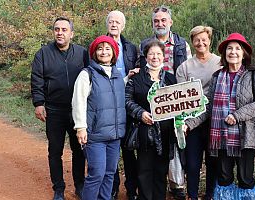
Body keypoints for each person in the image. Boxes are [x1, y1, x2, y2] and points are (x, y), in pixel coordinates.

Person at [185, 33, 255, 199]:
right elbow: (209, 107)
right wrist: (189, 124)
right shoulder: (217, 76)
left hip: (246, 136)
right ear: (224, 53)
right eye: (229, 48)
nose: (233, 52)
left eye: (237, 48)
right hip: (221, 137)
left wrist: (237, 115)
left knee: (245, 178)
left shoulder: (253, 74)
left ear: (244, 53)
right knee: (224, 178)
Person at [31, 16, 87, 200]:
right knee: (55, 151)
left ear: (72, 33)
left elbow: (91, 78)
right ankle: (59, 189)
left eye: (64, 30)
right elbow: (37, 79)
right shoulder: (43, 54)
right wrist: (39, 103)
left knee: (79, 150)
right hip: (54, 110)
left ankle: (80, 186)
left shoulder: (82, 53)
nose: (60, 33)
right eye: (57, 29)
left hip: (77, 110)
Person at [139, 5, 192, 199]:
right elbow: (140, 67)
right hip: (151, 100)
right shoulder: (145, 44)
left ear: (170, 22)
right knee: (155, 144)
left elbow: (186, 69)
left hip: (175, 96)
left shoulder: (181, 44)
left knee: (174, 143)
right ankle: (149, 187)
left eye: (163, 20)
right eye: (156, 21)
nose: (160, 23)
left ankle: (176, 184)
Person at [72, 35, 126, 200]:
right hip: (95, 135)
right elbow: (78, 101)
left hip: (115, 135)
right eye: (100, 49)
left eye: (108, 48)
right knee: (96, 174)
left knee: (109, 173)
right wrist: (80, 127)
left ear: (114, 53)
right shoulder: (86, 74)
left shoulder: (117, 76)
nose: (104, 52)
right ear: (94, 53)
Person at [125, 40, 177, 200]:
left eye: (158, 54)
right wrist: (140, 113)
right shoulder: (136, 78)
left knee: (161, 171)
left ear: (164, 57)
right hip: (144, 132)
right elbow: (127, 100)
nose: (155, 57)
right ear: (146, 57)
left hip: (166, 132)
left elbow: (178, 105)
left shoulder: (171, 79)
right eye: (151, 54)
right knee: (144, 171)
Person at [175, 25, 221, 200]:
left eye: (204, 39)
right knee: (193, 164)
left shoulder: (220, 62)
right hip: (192, 122)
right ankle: (192, 195)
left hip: (214, 120)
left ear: (209, 40)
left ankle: (210, 195)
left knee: (212, 162)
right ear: (192, 42)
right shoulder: (185, 67)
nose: (201, 43)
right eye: (197, 40)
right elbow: (181, 97)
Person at [105, 10, 140, 200]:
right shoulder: (99, 46)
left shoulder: (130, 47)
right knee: (111, 149)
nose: (114, 24)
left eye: (118, 22)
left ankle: (131, 188)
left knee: (128, 149)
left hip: (125, 104)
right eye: (111, 21)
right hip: (106, 104)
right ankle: (112, 188)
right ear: (107, 25)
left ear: (123, 26)